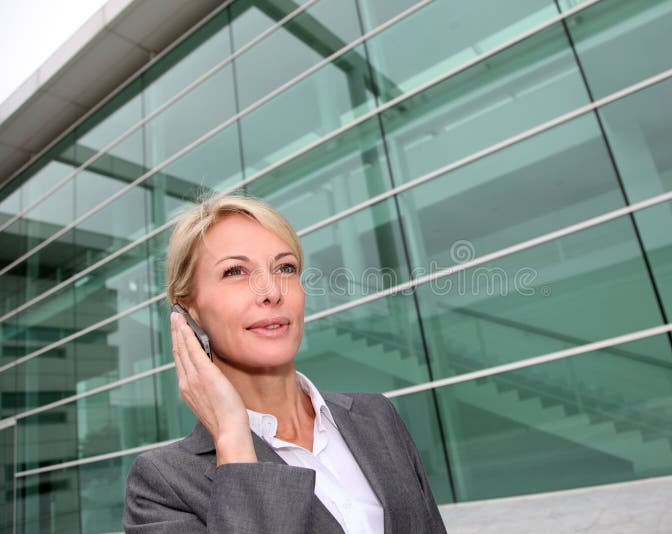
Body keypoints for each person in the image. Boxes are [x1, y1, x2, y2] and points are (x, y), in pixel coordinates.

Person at [123, 194, 447, 533]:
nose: (271, 291)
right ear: (187, 313)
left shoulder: (377, 415)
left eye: (285, 268)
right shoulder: (162, 485)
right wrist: (233, 440)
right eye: (235, 271)